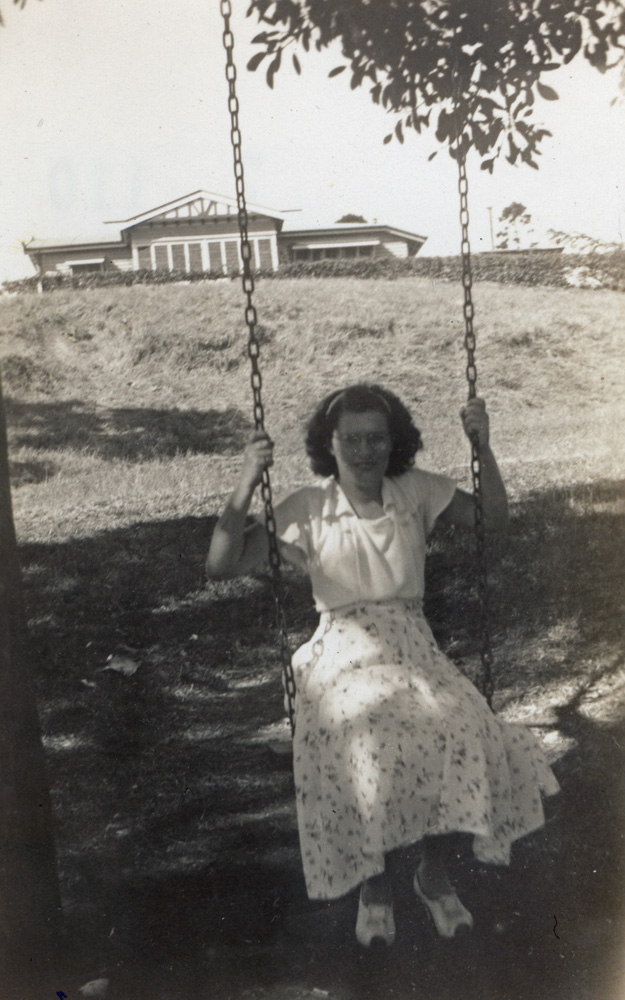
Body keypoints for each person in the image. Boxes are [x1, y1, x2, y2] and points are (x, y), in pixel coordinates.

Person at [206, 383, 559, 947]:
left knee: (462, 728)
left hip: (412, 645)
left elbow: (496, 522)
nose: (366, 451)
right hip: (341, 649)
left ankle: (431, 871)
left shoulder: (416, 491)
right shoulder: (307, 508)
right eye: (352, 440)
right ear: (332, 444)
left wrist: (484, 448)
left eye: (377, 438)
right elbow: (220, 565)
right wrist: (247, 481)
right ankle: (374, 884)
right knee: (366, 742)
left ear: (394, 442)